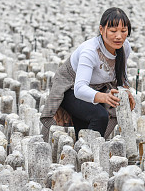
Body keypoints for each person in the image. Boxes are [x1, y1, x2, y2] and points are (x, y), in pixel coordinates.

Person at [41, 7, 135, 140]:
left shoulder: (125, 47)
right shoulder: (90, 51)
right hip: (71, 88)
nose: (119, 36)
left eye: (124, 31)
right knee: (99, 116)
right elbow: (79, 89)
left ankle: (85, 153)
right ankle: (90, 151)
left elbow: (121, 74)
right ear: (101, 30)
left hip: (98, 87)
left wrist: (126, 91)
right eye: (113, 31)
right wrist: (104, 97)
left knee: (85, 129)